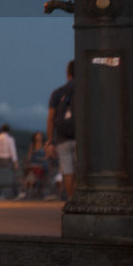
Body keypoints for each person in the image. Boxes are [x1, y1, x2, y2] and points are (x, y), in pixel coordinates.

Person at [47, 59, 76, 199]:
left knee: (68, 173)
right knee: (80, 172)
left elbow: (51, 118)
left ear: (68, 74)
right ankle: (81, 200)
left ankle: (72, 200)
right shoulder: (85, 90)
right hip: (80, 138)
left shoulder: (58, 93)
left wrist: (50, 141)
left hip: (62, 139)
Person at [0, 123, 20, 199]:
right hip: (7, 159)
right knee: (11, 176)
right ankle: (16, 194)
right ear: (8, 130)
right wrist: (15, 162)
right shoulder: (10, 139)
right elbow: (13, 151)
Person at [23, 131, 49, 199]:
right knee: (29, 169)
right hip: (34, 163)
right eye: (37, 135)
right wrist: (28, 161)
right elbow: (29, 156)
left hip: (42, 163)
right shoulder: (32, 145)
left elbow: (47, 156)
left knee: (38, 169)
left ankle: (32, 188)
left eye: (39, 135)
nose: (38, 137)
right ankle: (30, 187)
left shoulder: (45, 145)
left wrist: (41, 159)